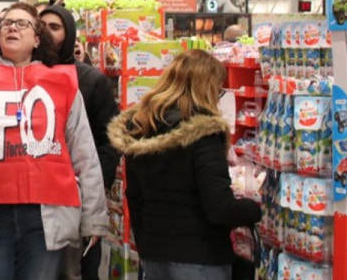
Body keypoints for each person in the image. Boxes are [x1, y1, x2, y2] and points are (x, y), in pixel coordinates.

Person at [0, 3, 108, 280]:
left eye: (23, 24)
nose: (13, 27)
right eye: (8, 22)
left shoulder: (63, 82)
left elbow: (84, 151)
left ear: (37, 38)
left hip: (46, 214)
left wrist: (94, 217)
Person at [108, 50, 262, 280]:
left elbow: (135, 197)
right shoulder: (203, 134)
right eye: (218, 90)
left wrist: (147, 244)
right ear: (206, 88)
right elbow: (218, 208)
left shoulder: (141, 128)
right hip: (199, 256)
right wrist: (254, 208)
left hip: (154, 255)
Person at [39, 5, 120, 280]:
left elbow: (109, 141)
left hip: (76, 199)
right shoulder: (23, 75)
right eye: (42, 26)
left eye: (55, 27)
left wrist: (91, 191)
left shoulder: (90, 80)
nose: (47, 33)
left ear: (70, 34)